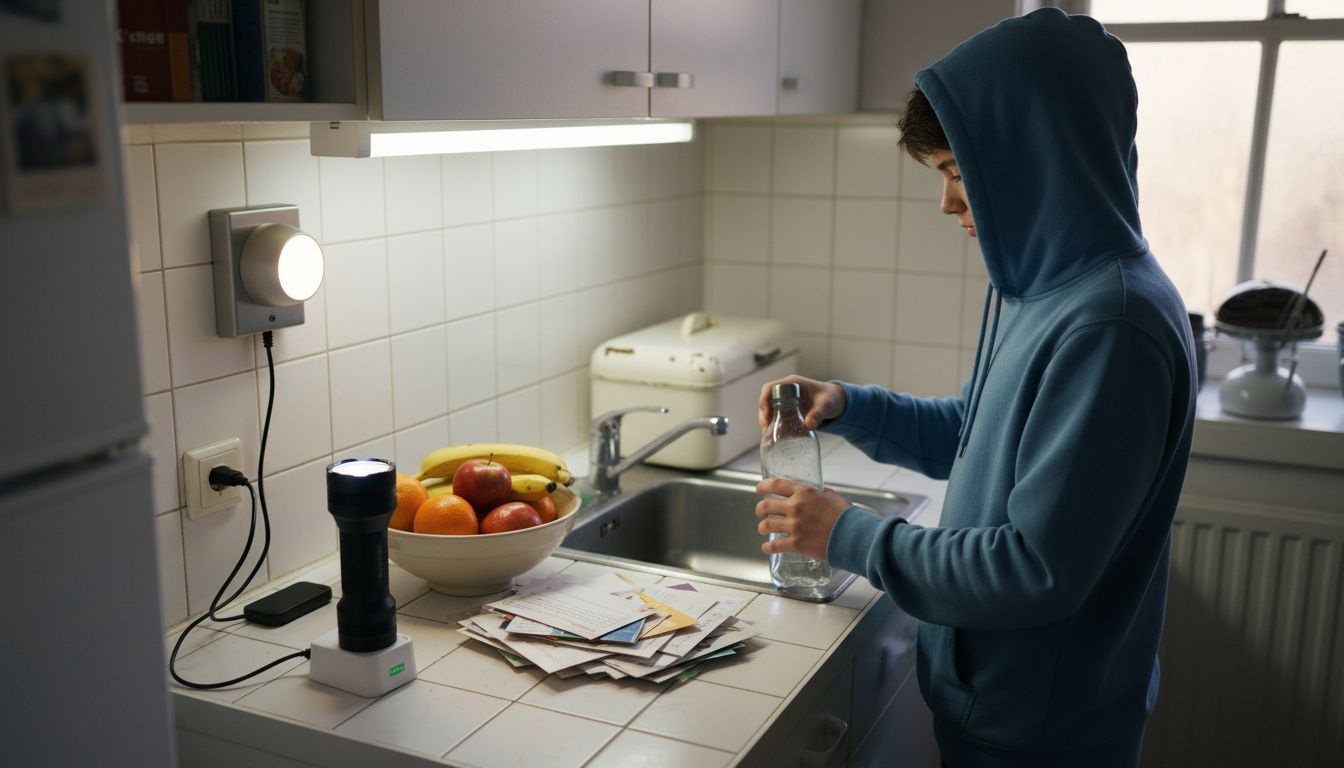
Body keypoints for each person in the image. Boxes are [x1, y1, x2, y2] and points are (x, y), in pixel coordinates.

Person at [754, 8, 1197, 767]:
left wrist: (848, 533)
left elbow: (1035, 570)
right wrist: (851, 406)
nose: (948, 203)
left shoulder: (1111, 327)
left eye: (960, 174)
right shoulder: (1041, 288)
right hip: (1006, 710)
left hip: (1047, 735)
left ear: (1038, 160)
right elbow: (976, 434)